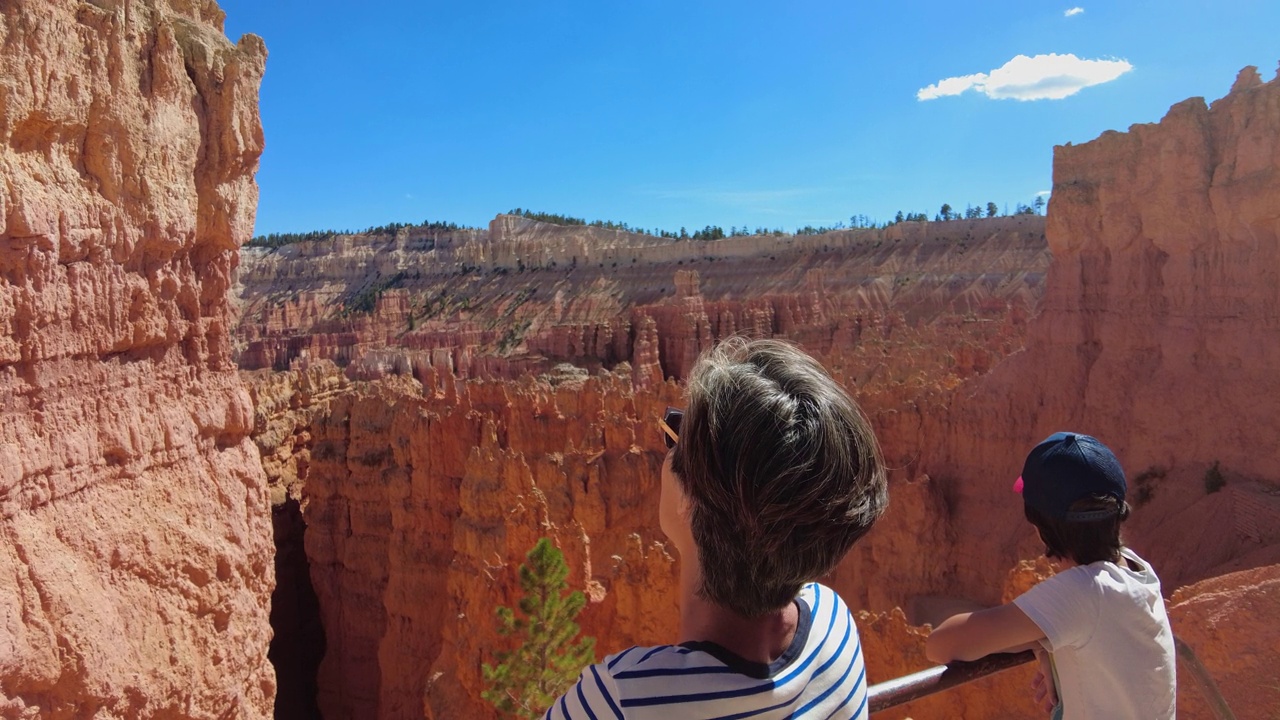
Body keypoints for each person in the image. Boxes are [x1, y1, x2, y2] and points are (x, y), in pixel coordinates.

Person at [544, 338, 889, 719]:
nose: (669, 442)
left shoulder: (621, 700)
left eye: (676, 434)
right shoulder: (834, 627)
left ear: (689, 498)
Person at [924, 432, 1176, 719]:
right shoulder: (1136, 571)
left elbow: (941, 644)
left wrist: (1041, 639)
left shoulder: (1081, 592)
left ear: (1039, 526)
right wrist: (1045, 643)